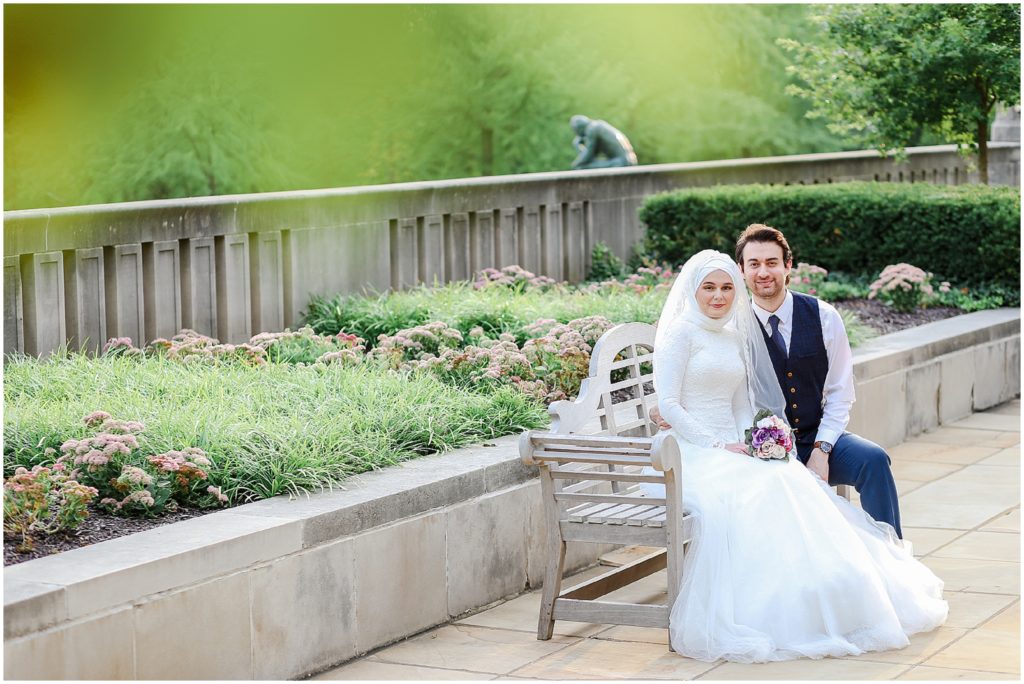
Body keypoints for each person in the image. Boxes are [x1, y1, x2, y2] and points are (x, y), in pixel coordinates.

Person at [643, 249, 946, 662]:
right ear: (693, 290)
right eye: (709, 288)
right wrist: (721, 445)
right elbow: (670, 403)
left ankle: (858, 576)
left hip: (771, 439)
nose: (718, 296)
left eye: (726, 287)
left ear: (788, 266)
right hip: (696, 453)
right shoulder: (682, 332)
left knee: (814, 476)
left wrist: (759, 440)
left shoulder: (758, 328)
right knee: (766, 490)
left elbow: (747, 401)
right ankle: (780, 600)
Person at [651, 224, 903, 538]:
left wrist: (822, 450)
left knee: (873, 460)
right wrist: (660, 408)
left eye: (772, 262)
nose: (763, 272)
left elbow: (841, 393)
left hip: (817, 437)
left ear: (788, 266)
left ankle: (892, 550)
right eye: (754, 264)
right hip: (763, 446)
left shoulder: (825, 317)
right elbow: (701, 378)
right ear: (741, 271)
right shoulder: (731, 328)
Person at [569, 115, 638, 169]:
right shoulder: (598, 125)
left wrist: (576, 162)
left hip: (621, 163)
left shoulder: (592, 129)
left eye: (576, 131)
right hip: (629, 160)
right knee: (582, 165)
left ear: (579, 128)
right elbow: (592, 157)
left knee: (581, 167)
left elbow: (587, 156)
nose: (578, 135)